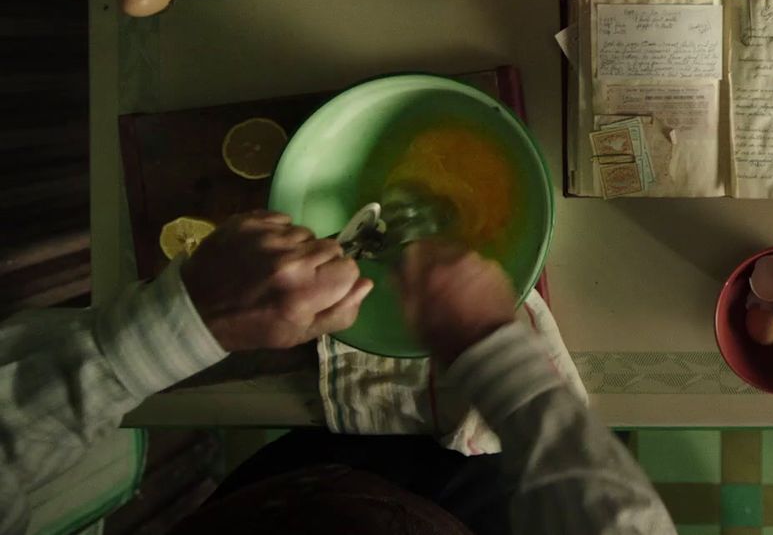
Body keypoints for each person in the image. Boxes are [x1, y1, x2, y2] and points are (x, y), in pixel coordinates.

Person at [0, 211, 674, 535]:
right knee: (470, 462)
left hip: (277, 503)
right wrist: (490, 344)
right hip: (435, 509)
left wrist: (190, 319)